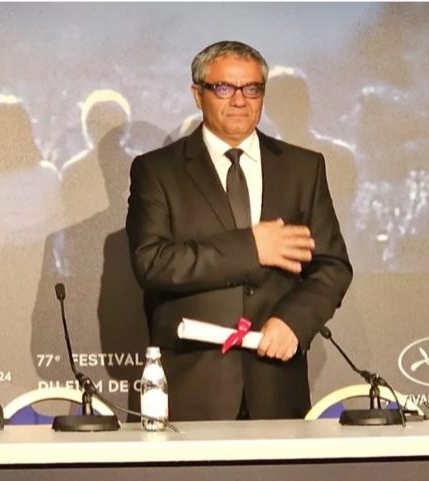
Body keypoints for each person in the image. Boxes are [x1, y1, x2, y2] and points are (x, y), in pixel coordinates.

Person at [126, 40, 353, 421]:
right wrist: (251, 248)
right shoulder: (157, 170)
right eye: (224, 88)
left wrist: (294, 322)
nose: (239, 100)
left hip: (277, 384)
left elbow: (332, 267)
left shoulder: (303, 168)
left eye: (251, 89)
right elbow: (153, 263)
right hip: (193, 389)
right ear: (197, 94)